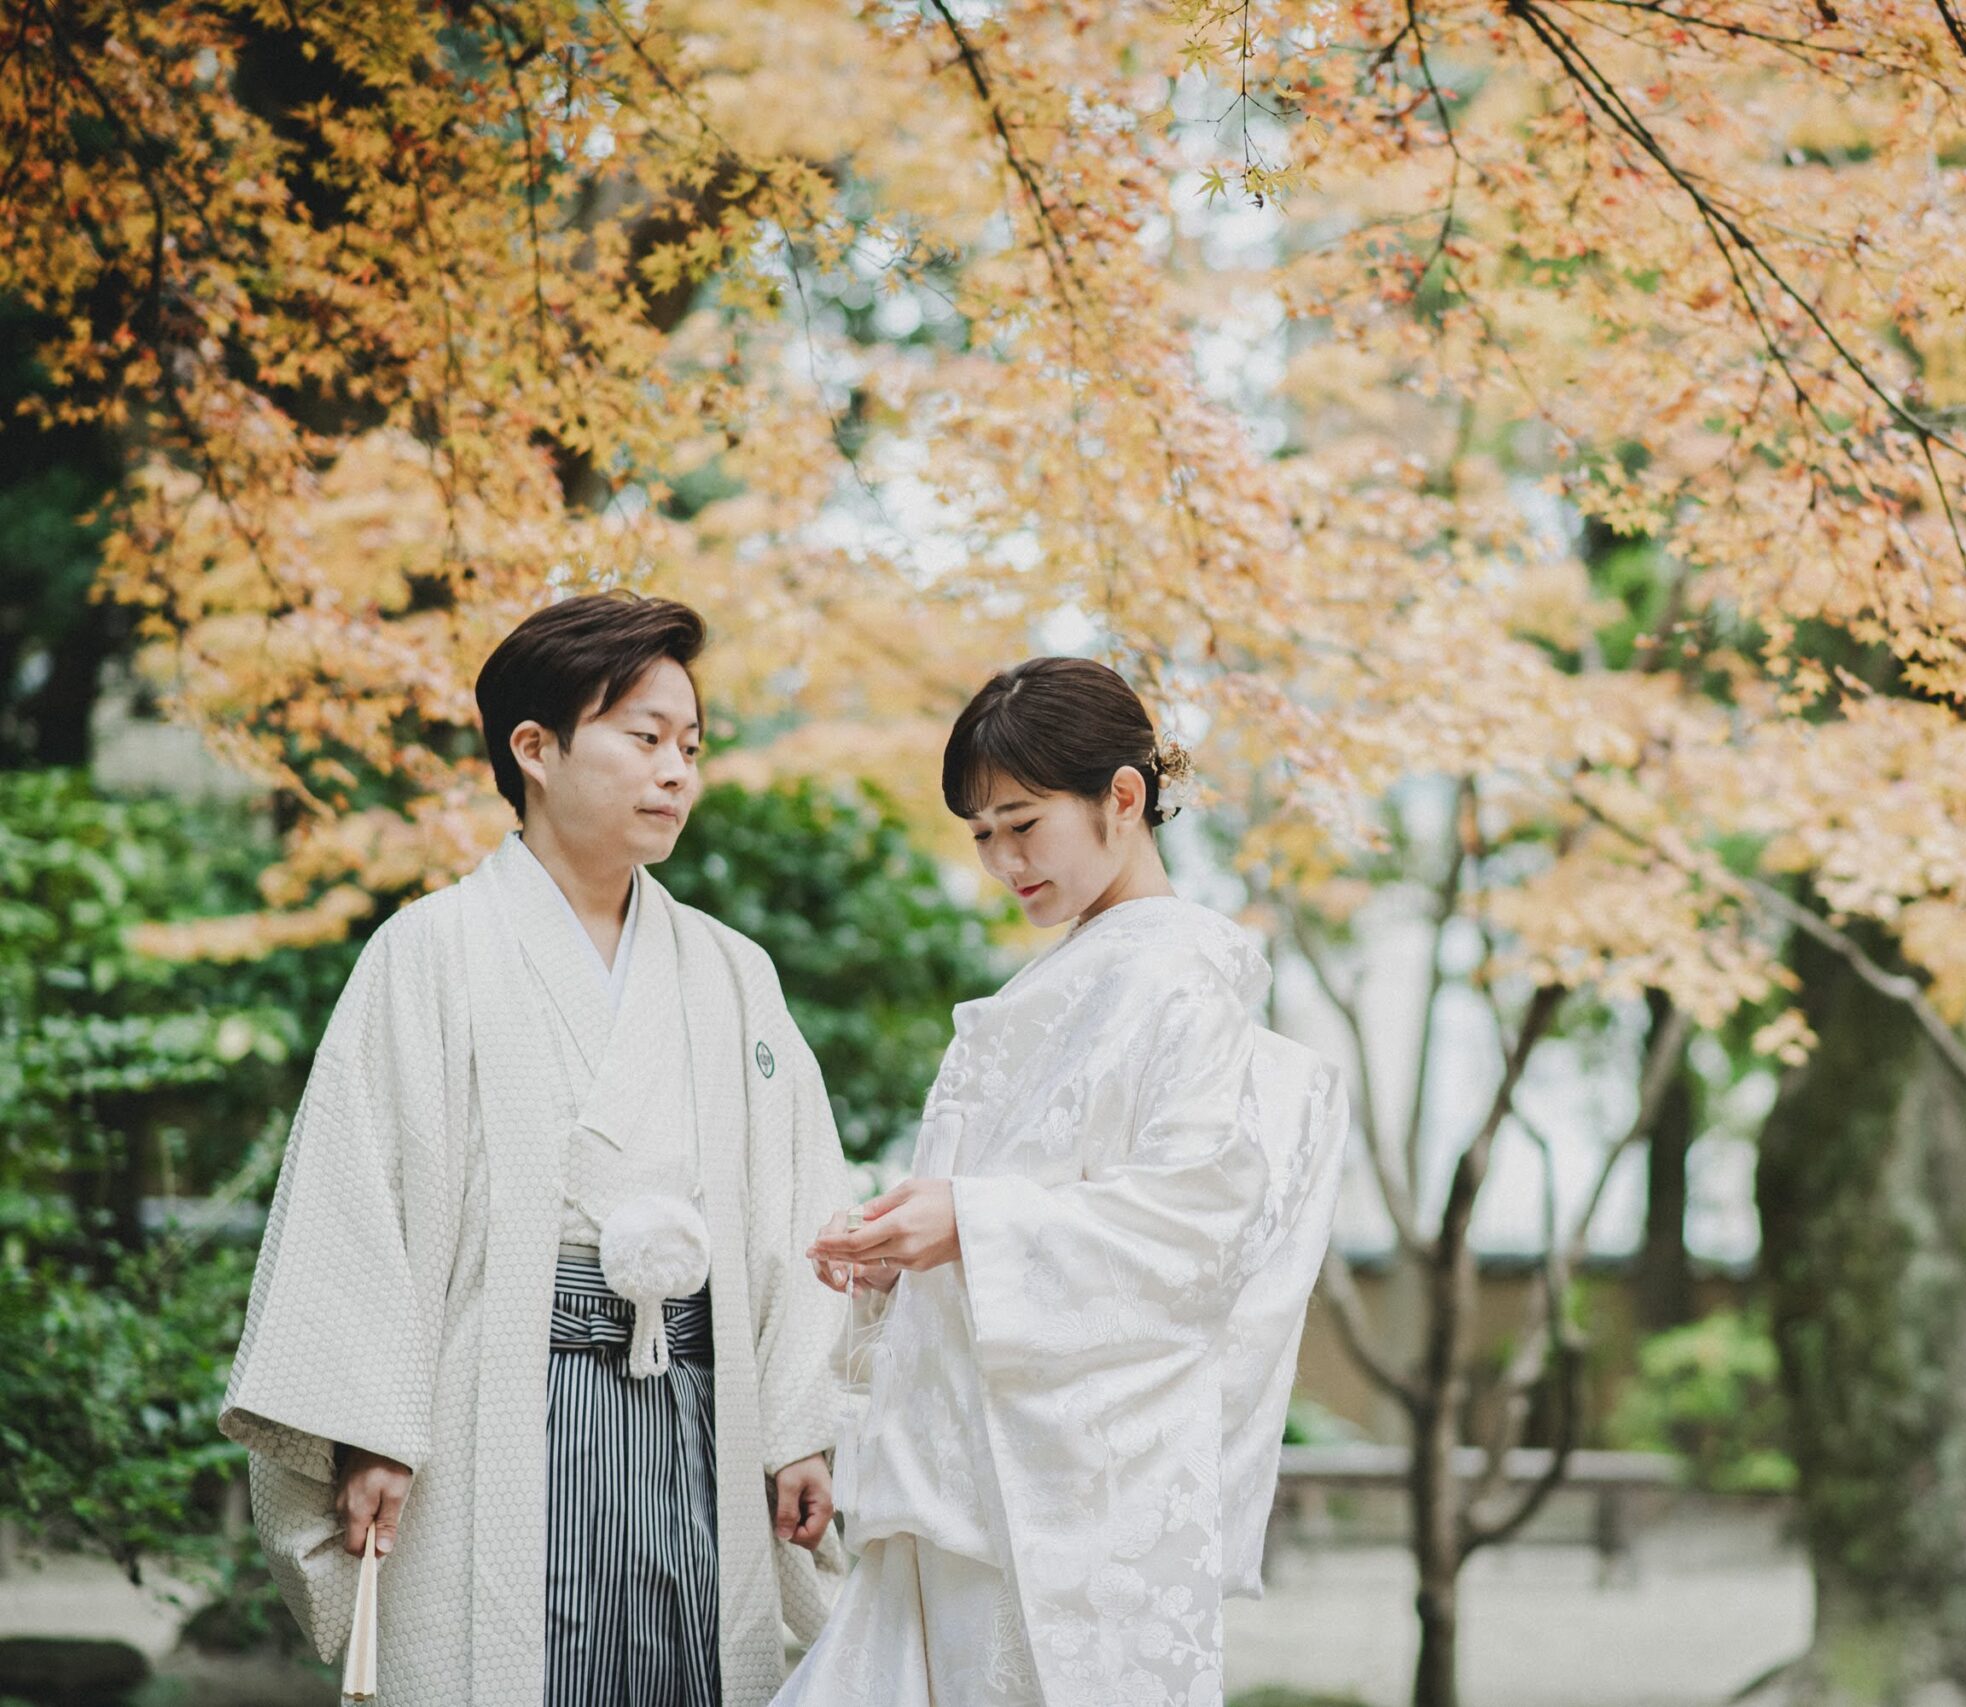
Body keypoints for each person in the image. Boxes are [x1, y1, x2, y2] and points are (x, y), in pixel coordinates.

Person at [221, 593, 851, 1706]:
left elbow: (797, 1209)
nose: (676, 773)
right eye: (644, 738)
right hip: (494, 1410)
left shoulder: (731, 971)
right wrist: (370, 1430)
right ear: (534, 748)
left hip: (699, 1407)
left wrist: (799, 1424)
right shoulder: (428, 952)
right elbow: (356, 1203)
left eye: (691, 747)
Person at [781, 656, 1348, 1707]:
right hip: (973, 1466)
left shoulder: (1178, 981)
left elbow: (1194, 1230)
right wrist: (900, 1252)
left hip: (1067, 1494)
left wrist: (968, 1222)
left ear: (1122, 798)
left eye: (1022, 822)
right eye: (980, 834)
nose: (1003, 860)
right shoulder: (1071, 979)